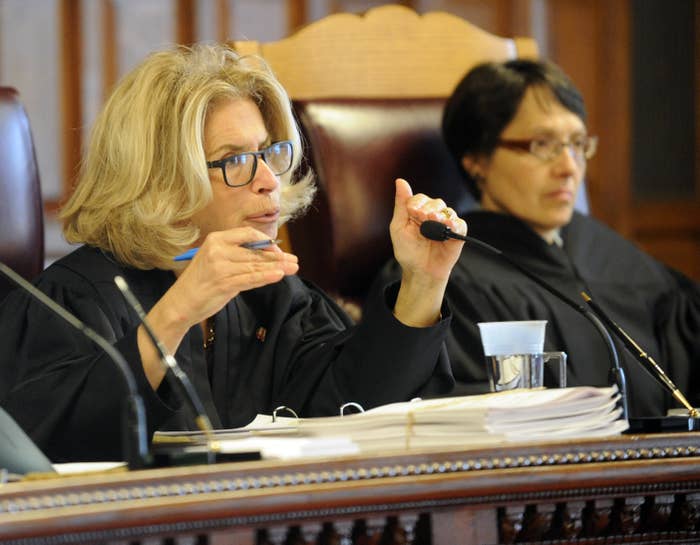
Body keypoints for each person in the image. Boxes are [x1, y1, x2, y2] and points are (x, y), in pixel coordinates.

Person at [0, 43, 467, 462]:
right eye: (236, 160)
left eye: (268, 153)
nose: (269, 180)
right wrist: (179, 310)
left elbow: (356, 409)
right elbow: (46, 453)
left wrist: (422, 281)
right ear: (163, 177)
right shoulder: (70, 301)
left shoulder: (273, 293)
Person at [374, 59, 700, 418]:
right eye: (542, 145)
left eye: (577, 144)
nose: (569, 167)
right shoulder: (445, 279)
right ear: (477, 160)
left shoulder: (616, 256)